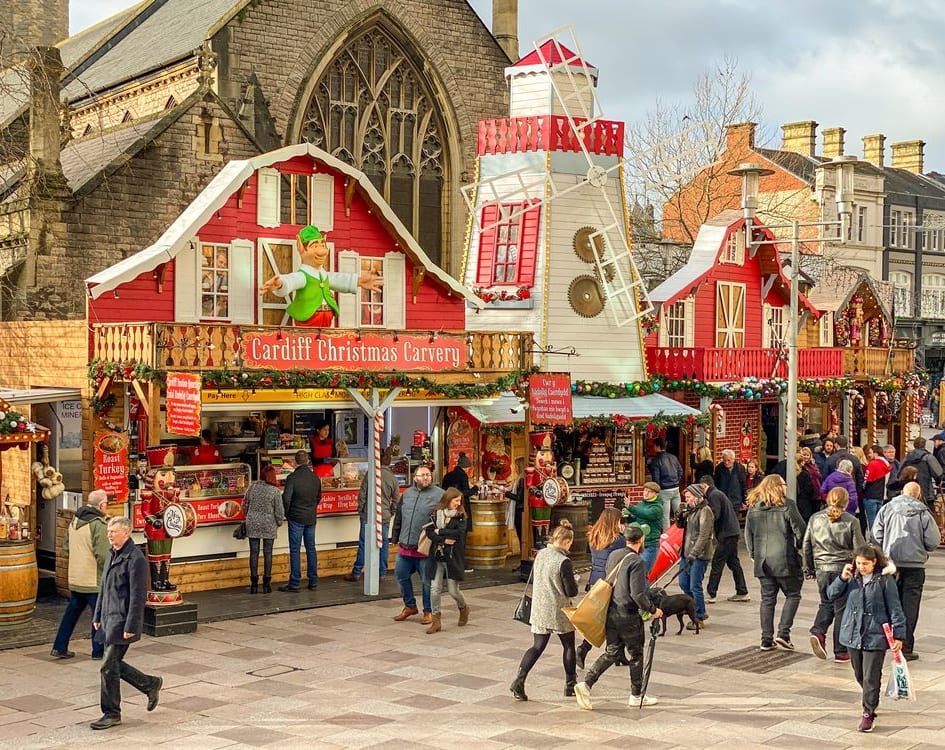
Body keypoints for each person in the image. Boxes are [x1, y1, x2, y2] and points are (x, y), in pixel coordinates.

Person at [574, 525, 663, 710]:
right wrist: (653, 610)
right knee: (636, 654)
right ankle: (636, 695)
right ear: (641, 540)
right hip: (628, 615)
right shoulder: (637, 562)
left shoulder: (614, 554)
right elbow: (637, 594)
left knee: (612, 652)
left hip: (611, 611)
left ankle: (586, 684)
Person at [90, 517, 163, 730]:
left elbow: (138, 595)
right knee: (111, 665)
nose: (109, 535)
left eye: (113, 531)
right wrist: (97, 616)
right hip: (107, 619)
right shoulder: (112, 554)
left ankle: (112, 713)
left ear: (126, 533)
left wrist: (131, 625)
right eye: (109, 531)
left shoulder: (136, 558)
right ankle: (149, 683)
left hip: (122, 621)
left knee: (107, 668)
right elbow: (104, 588)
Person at [827, 544, 905, 733]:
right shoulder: (852, 578)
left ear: (874, 562)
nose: (862, 567)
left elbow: (895, 608)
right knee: (859, 675)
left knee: (870, 677)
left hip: (875, 635)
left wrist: (899, 635)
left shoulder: (885, 581)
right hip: (852, 634)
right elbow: (830, 595)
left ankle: (868, 712)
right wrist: (842, 578)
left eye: (866, 564)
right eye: (859, 563)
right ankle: (872, 696)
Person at [509, 519, 579, 701]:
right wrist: (575, 581)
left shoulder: (541, 554)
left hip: (539, 607)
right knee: (569, 645)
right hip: (558, 609)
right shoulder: (563, 561)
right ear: (566, 541)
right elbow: (571, 591)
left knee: (537, 646)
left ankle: (519, 679)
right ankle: (570, 684)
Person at [872, 481, 941, 661]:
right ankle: (906, 646)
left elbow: (876, 534)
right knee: (910, 606)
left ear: (902, 492)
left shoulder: (887, 508)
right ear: (918, 495)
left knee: (889, 602)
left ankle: (885, 640)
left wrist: (885, 548)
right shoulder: (924, 513)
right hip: (915, 565)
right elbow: (933, 541)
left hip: (891, 564)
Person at [259, 224, 382, 326]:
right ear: (301, 248)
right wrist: (280, 283)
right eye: (315, 246)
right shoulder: (303, 276)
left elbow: (338, 280)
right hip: (308, 318)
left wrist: (359, 281)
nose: (322, 250)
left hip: (327, 318)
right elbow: (292, 280)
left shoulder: (324, 275)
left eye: (323, 245)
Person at [803, 487, 865, 663]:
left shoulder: (815, 518)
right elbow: (859, 548)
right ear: (846, 502)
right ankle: (840, 650)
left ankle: (818, 631)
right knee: (841, 609)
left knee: (826, 602)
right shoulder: (851, 521)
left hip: (822, 568)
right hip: (843, 569)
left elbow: (806, 544)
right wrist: (860, 570)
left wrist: (809, 569)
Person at [744, 474, 806, 651]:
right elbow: (800, 531)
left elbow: (748, 535)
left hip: (763, 562)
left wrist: (754, 555)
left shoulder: (753, 508)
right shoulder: (787, 505)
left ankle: (766, 638)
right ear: (778, 487)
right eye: (784, 484)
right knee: (793, 595)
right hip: (785, 559)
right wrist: (800, 549)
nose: (786, 487)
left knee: (767, 599)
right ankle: (783, 634)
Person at [51, 489, 110, 660]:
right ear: (101, 505)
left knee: (71, 614)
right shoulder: (98, 524)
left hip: (76, 579)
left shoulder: (74, 522)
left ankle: (59, 646)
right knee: (98, 616)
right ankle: (98, 651)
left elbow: (66, 548)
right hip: (93, 580)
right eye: (106, 502)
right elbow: (103, 555)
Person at [575, 508, 627, 670]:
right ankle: (584, 649)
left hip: (595, 582)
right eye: (621, 521)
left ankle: (618, 654)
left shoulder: (594, 537)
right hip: (609, 583)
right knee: (614, 619)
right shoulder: (618, 540)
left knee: (603, 619)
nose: (623, 524)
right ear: (615, 522)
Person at [391, 465, 443, 624]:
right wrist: (395, 537)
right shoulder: (407, 494)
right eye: (422, 475)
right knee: (401, 576)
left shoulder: (440, 494)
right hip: (405, 545)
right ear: (415, 477)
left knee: (427, 582)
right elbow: (399, 516)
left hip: (425, 547)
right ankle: (410, 606)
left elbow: (447, 517)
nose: (426, 477)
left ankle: (428, 611)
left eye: (428, 475)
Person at [345, 448, 400, 581]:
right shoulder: (393, 478)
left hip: (369, 514)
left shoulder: (372, 474)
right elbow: (397, 499)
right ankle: (382, 572)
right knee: (384, 544)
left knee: (364, 543)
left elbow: (362, 494)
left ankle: (357, 571)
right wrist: (391, 511)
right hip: (385, 515)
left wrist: (361, 510)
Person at [423, 488, 469, 634]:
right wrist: (443, 539)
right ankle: (436, 621)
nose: (458, 503)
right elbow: (429, 532)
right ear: (448, 500)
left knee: (453, 591)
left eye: (459, 501)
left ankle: (463, 608)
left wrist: (441, 531)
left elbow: (460, 533)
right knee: (434, 589)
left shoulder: (461, 516)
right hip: (437, 555)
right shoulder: (434, 513)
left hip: (453, 557)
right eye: (456, 500)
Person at [701, 475, 750, 605]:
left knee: (717, 563)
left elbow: (714, 514)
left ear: (705, 486)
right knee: (733, 562)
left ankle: (711, 593)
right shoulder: (718, 494)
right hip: (732, 532)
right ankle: (742, 591)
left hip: (726, 534)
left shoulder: (714, 495)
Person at [279, 450, 321, 592]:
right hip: (311, 517)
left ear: (295, 462)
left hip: (296, 517)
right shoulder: (315, 477)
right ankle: (313, 580)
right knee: (311, 548)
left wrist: (288, 513)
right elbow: (318, 497)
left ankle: (295, 582)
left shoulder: (292, 478)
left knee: (295, 550)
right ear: (308, 461)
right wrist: (312, 508)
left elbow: (286, 498)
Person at [676, 483, 716, 630]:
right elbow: (681, 527)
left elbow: (704, 535)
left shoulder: (705, 511)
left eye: (688, 496)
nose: (686, 499)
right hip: (686, 553)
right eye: (685, 497)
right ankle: (694, 608)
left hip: (699, 555)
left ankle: (699, 616)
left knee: (695, 585)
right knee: (683, 583)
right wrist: (679, 514)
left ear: (697, 496)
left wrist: (694, 553)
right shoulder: (691, 510)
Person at [241, 463, 284, 594]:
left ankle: (254, 584)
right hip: (269, 524)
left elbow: (244, 505)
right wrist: (279, 522)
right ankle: (266, 584)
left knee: (253, 553)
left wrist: (248, 516)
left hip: (252, 522)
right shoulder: (275, 491)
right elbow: (279, 512)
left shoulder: (252, 487)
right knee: (268, 553)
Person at [623, 482, 664, 574]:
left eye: (649, 491)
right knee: (636, 574)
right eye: (645, 490)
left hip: (650, 545)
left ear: (656, 494)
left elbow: (646, 514)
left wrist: (631, 507)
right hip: (638, 544)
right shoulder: (641, 504)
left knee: (643, 574)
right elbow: (635, 521)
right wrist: (628, 516)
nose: (646, 493)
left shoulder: (657, 508)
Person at [772, 450, 820, 522]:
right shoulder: (804, 474)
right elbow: (810, 490)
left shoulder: (783, 469)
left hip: (785, 504)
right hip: (803, 506)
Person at [648, 437, 683, 533]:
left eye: (653, 446)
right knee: (678, 514)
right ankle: (680, 534)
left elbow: (656, 478)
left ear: (657, 446)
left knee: (665, 517)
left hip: (664, 490)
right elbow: (680, 471)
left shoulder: (655, 460)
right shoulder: (673, 457)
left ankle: (667, 537)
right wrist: (676, 480)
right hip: (676, 488)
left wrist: (657, 491)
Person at [899, 436, 943, 508]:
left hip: (909, 488)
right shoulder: (928, 457)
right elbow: (938, 472)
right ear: (924, 445)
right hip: (926, 490)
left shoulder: (907, 457)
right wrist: (938, 481)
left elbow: (899, 472)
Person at [862, 444, 892, 532]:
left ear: (876, 454)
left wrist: (862, 488)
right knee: (879, 520)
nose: (869, 455)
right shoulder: (886, 464)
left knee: (871, 520)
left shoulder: (873, 464)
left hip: (870, 496)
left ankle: (873, 538)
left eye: (871, 453)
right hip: (881, 496)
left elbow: (866, 480)